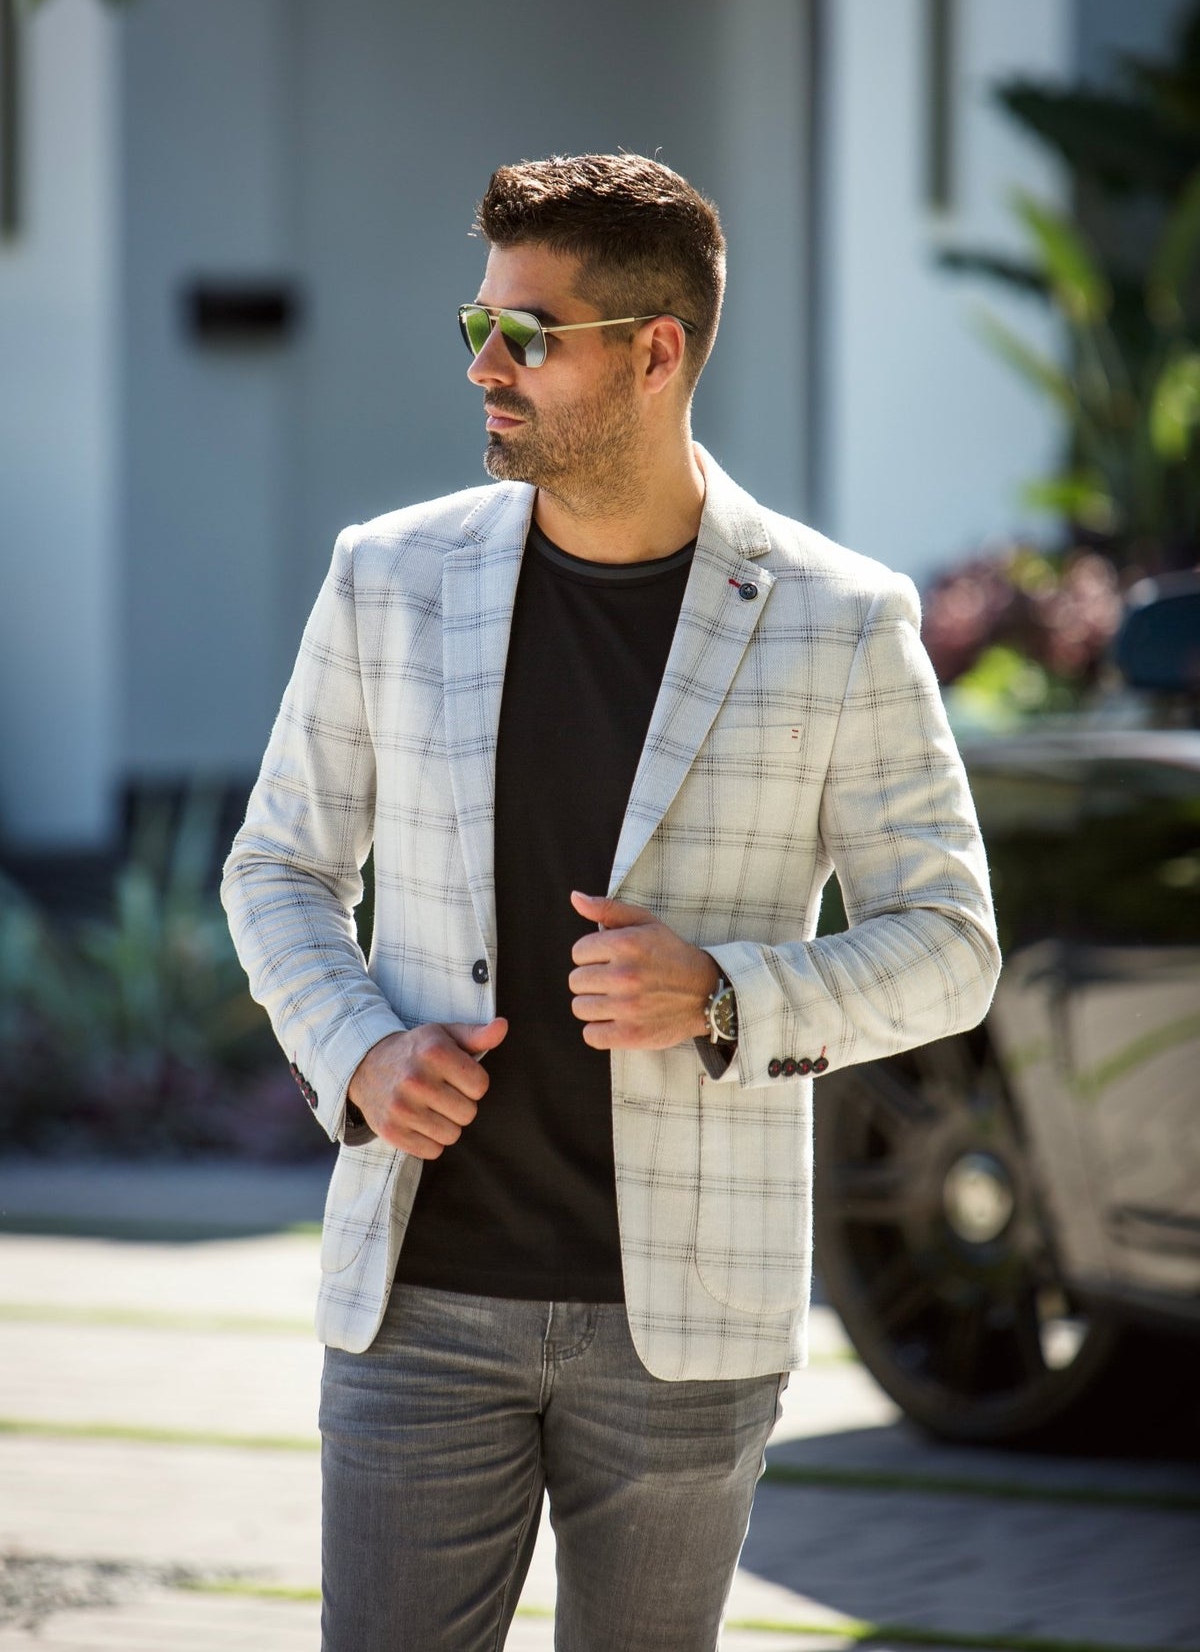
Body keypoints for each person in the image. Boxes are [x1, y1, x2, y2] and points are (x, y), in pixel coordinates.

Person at [221, 152, 1000, 1652]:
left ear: (655, 353)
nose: (484, 367)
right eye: (479, 325)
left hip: (689, 1323)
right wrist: (359, 1051)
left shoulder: (842, 621)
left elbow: (953, 946)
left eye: (527, 335)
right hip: (421, 1296)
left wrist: (726, 994)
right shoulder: (387, 578)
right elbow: (280, 869)